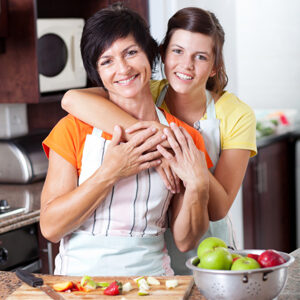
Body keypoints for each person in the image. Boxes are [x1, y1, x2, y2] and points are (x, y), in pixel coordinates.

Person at [61, 6, 257, 274]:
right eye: (177, 51)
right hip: (157, 246)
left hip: (208, 244)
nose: (186, 65)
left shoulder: (236, 114)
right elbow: (72, 99)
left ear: (215, 67)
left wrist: (187, 165)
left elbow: (219, 206)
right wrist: (159, 142)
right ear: (162, 54)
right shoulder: (143, 89)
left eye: (200, 57)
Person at [40, 3, 212, 276]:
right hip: (79, 286)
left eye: (131, 52)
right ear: (97, 73)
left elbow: (185, 241)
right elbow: (50, 228)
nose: (122, 69)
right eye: (106, 61)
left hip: (153, 284)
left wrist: (198, 185)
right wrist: (110, 173)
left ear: (150, 55)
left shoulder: (183, 138)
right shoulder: (72, 129)